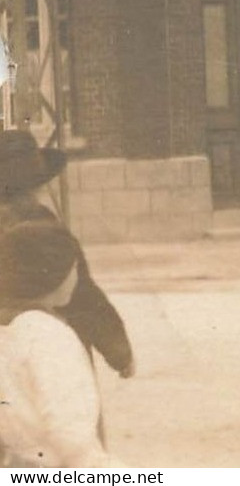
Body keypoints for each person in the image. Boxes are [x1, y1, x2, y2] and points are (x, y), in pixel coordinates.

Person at [0, 131, 132, 380]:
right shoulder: (46, 230)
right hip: (57, 352)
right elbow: (84, 294)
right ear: (37, 184)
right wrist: (119, 352)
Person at [0, 223, 120, 468]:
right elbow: (71, 435)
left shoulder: (7, 328)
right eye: (74, 267)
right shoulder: (49, 336)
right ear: (56, 274)